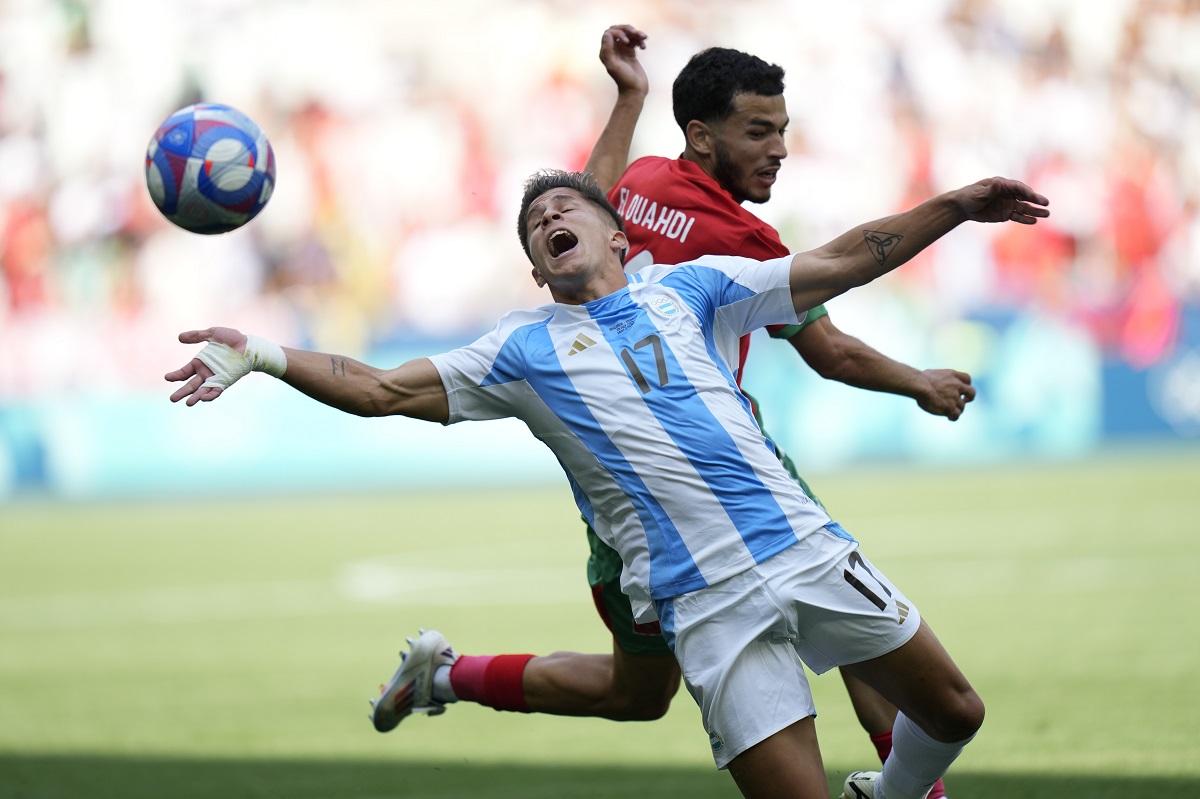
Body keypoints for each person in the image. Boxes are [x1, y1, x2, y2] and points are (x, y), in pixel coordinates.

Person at [166, 168, 1049, 799]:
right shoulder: (517, 350)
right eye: (536, 224)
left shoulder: (693, 291)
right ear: (537, 265)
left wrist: (959, 204)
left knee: (955, 710)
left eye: (567, 206)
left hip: (805, 547)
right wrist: (262, 354)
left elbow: (845, 259)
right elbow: (378, 388)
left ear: (618, 237)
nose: (551, 219)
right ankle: (452, 676)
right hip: (706, 607)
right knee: (652, 704)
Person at [383, 26, 975, 799]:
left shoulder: (649, 182)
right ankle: (449, 677)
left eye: (783, 132)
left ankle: (904, 792)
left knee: (836, 629)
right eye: (759, 132)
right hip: (637, 501)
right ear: (703, 134)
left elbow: (587, 192)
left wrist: (627, 98)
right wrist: (918, 382)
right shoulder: (737, 234)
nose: (779, 151)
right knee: (639, 694)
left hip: (720, 472)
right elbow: (830, 351)